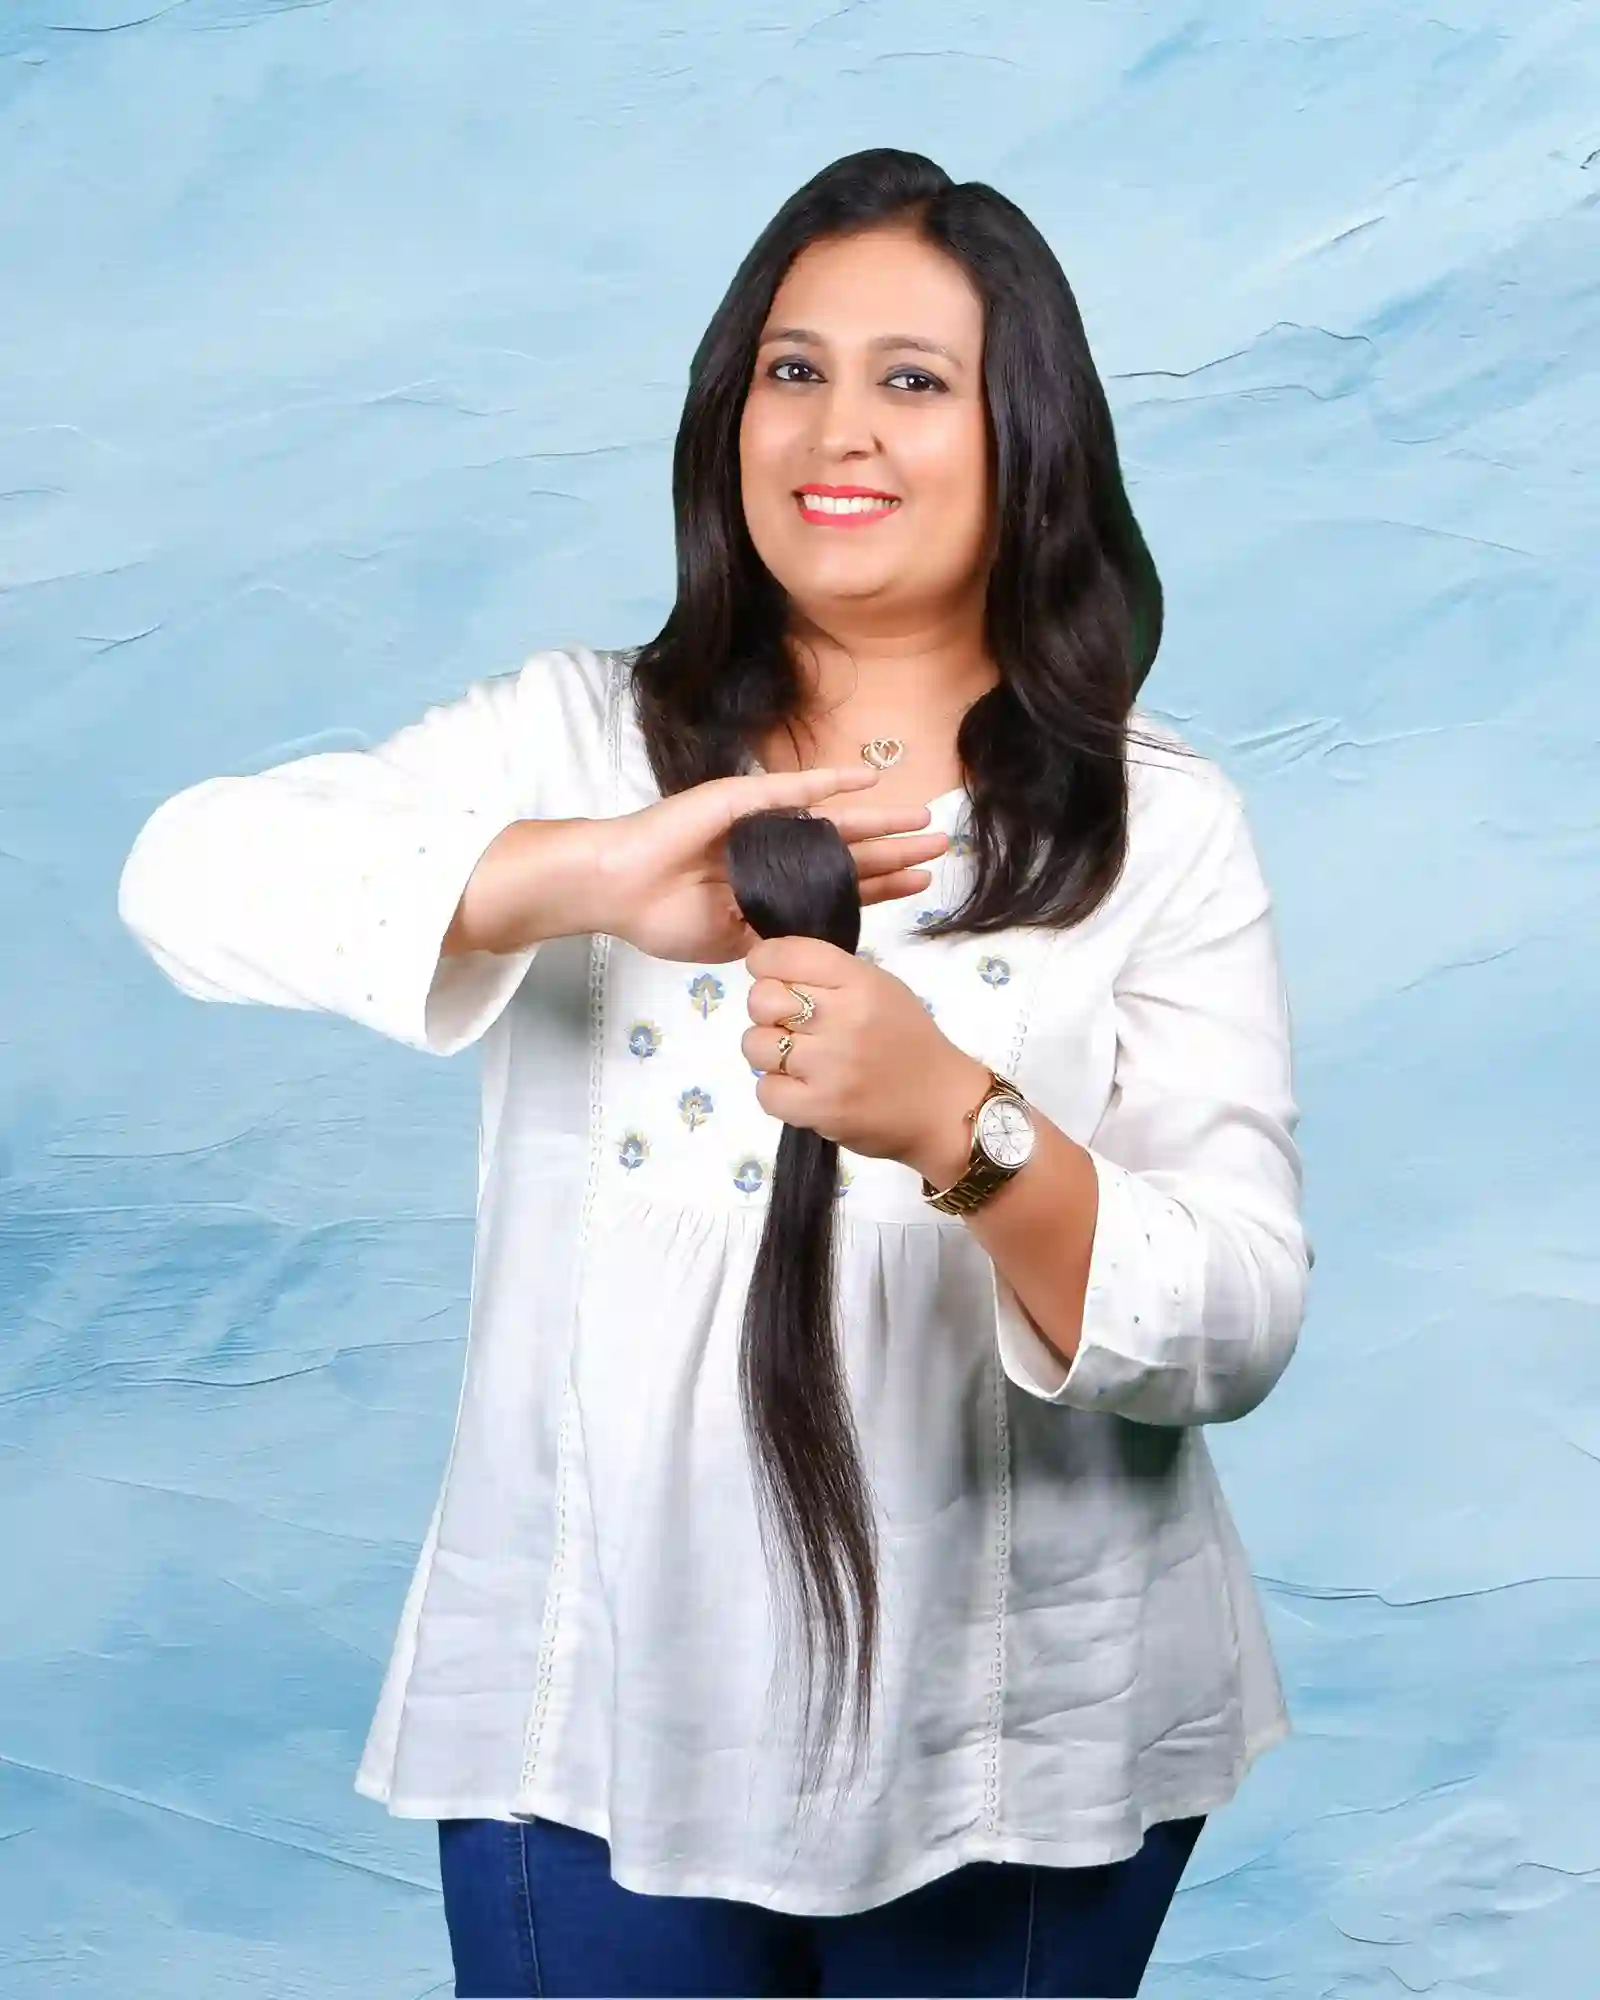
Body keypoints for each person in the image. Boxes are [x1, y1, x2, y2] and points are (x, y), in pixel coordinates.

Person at [116, 148, 1312, 1998]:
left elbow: (1236, 1317)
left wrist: (961, 1127)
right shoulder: (575, 739)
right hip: (595, 1706)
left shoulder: (1160, 821)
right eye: (792, 368)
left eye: (915, 379)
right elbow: (185, 881)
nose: (839, 429)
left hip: (1023, 1730)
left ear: (1030, 436)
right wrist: (583, 873)